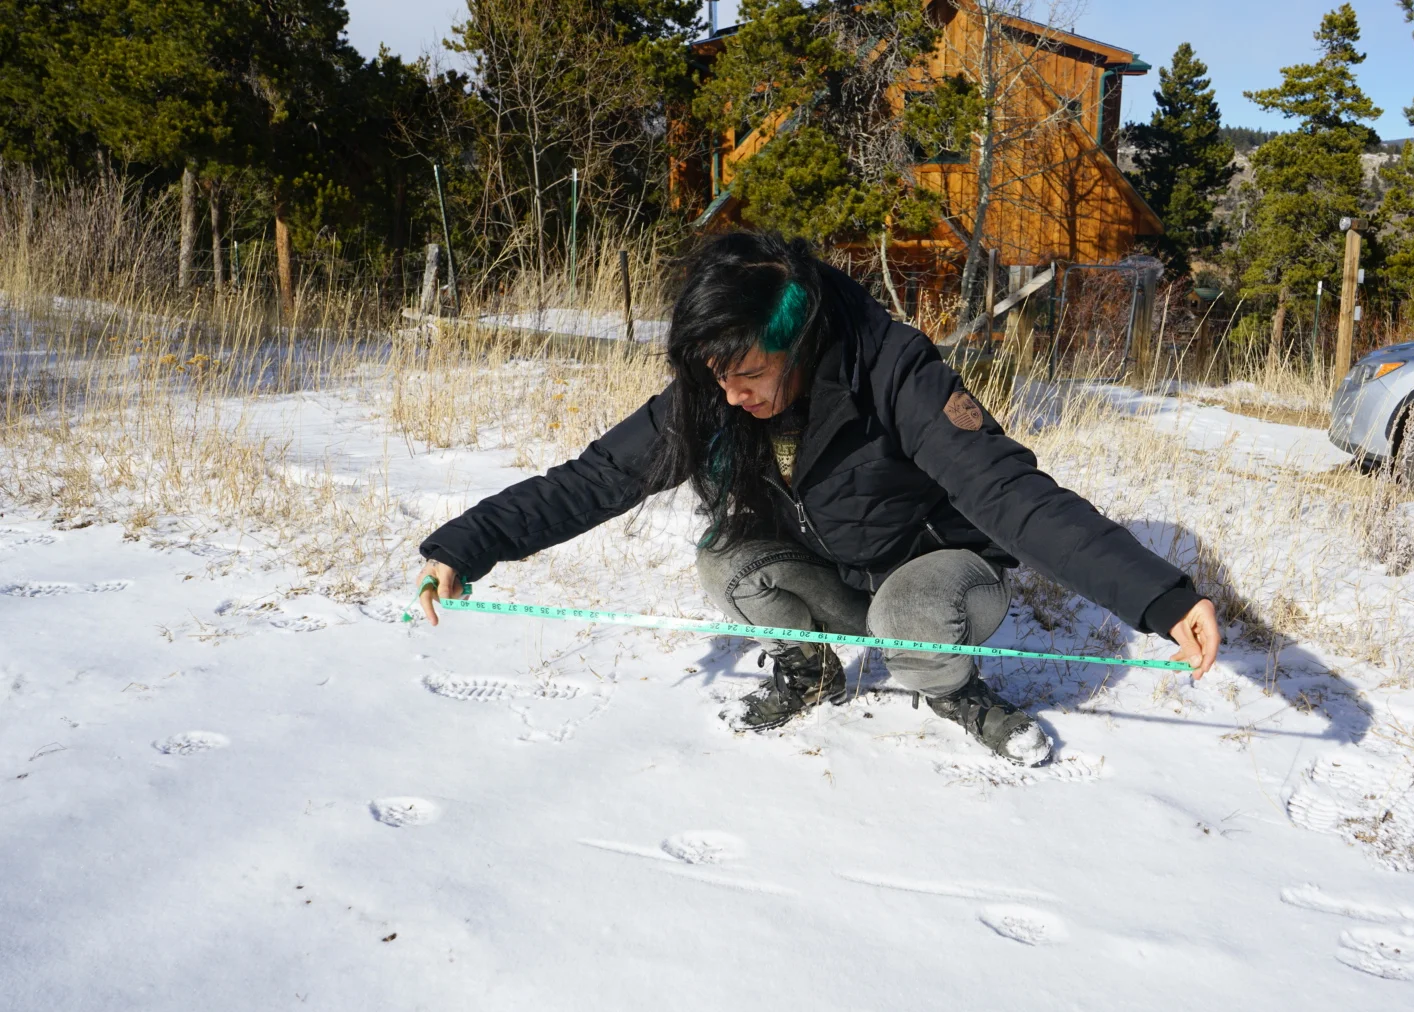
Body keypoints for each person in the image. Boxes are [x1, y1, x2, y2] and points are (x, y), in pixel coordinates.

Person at [415, 232, 1219, 766]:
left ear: (797, 346)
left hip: (935, 575)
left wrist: (1156, 596)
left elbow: (1010, 494)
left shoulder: (895, 368)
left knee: (909, 619)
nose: (728, 399)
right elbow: (597, 478)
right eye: (714, 378)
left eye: (750, 378)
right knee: (724, 557)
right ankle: (810, 670)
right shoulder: (717, 385)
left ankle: (953, 689)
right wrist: (466, 545)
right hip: (837, 570)